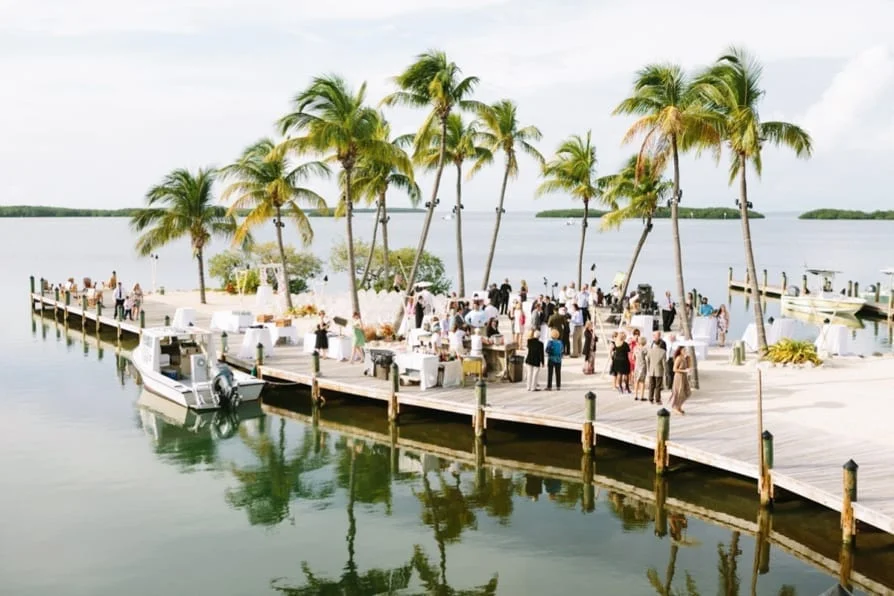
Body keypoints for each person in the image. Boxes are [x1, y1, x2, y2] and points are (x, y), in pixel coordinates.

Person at [668, 346, 692, 414]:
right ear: (680, 351)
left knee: (687, 392)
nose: (685, 351)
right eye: (683, 350)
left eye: (685, 350)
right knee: (679, 392)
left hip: (684, 377)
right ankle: (675, 407)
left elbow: (689, 367)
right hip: (678, 377)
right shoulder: (678, 358)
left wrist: (689, 359)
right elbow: (674, 369)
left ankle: (679, 406)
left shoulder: (685, 358)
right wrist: (684, 371)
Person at [645, 338, 667, 404]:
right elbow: (664, 363)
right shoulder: (663, 352)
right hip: (659, 371)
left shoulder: (650, 351)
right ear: (660, 343)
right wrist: (665, 371)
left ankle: (650, 399)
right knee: (658, 386)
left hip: (651, 370)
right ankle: (657, 400)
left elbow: (647, 361)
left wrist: (649, 368)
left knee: (651, 385)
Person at [633, 336, 648, 400]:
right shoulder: (644, 349)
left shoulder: (635, 348)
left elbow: (633, 357)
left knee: (636, 381)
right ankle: (642, 396)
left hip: (636, 365)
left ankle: (635, 395)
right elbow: (647, 357)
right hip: (642, 365)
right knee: (642, 381)